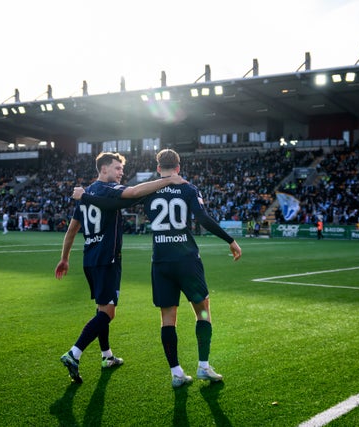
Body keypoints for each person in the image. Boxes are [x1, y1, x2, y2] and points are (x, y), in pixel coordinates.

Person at [77, 148, 242, 387]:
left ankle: (176, 373)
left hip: (161, 261)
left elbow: (111, 204)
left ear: (158, 169)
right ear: (178, 167)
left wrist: (85, 196)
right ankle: (203, 366)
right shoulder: (187, 188)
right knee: (203, 309)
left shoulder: (148, 191)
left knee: (168, 317)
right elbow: (203, 219)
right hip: (186, 259)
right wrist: (231, 240)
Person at [54, 151, 185, 384]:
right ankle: (74, 353)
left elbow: (72, 230)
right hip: (107, 259)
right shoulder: (107, 190)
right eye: (117, 168)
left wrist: (64, 258)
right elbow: (134, 192)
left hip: (89, 259)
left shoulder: (86, 194)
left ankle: (107, 356)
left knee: (102, 308)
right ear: (103, 169)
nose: (121, 173)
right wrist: (168, 179)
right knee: (108, 313)